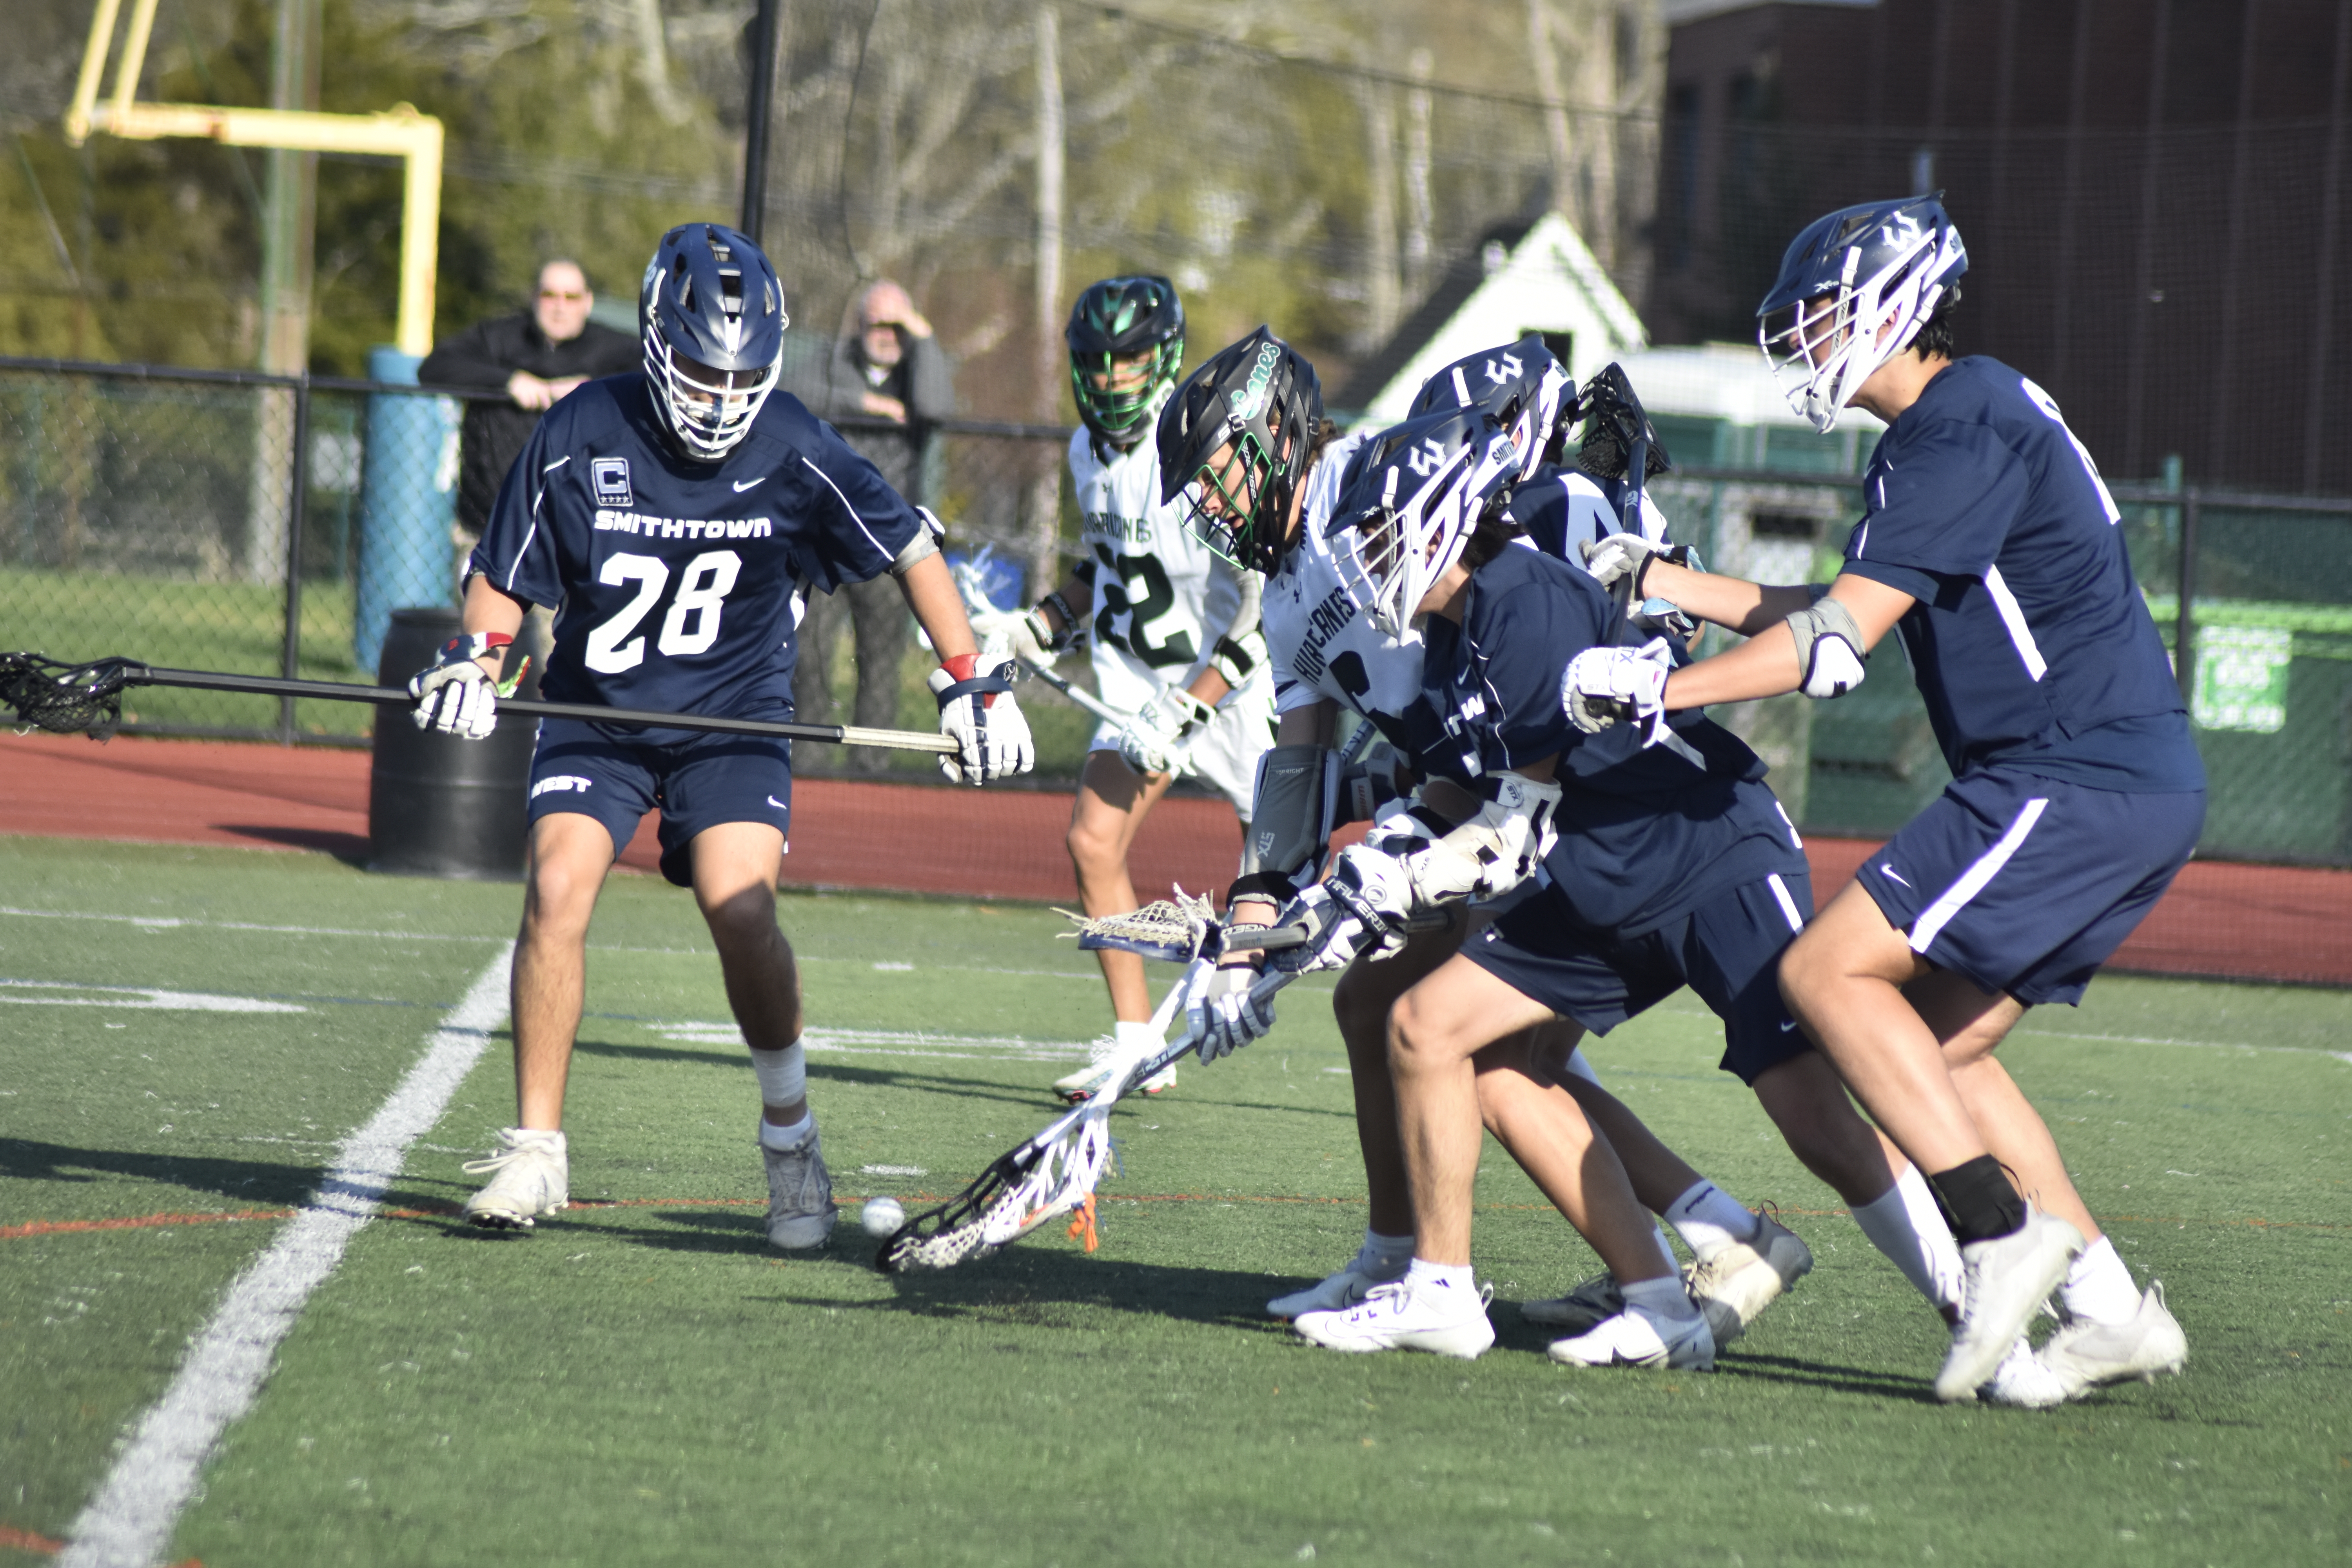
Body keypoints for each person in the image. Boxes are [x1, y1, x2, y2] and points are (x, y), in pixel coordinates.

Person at [1156, 334, 1966, 1368]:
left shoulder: (1394, 496)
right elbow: (1316, 762)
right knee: (1439, 1034)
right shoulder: (1301, 587)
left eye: (1220, 468)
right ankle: (1467, 1264)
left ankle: (1930, 1275)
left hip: (1628, 813)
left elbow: (1534, 692)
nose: (1216, 506)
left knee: (1768, 1084)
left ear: (1273, 436)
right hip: (1540, 817)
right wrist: (1256, 927)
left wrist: (1392, 858)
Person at [1561, 193, 2200, 1402]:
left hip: (2068, 769)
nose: (1800, 336)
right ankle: (2113, 1308)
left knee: (1820, 975)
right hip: (2111, 776)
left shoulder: (1950, 427)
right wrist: (1666, 582)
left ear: (1889, 304)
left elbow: (1834, 642)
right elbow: (1844, 594)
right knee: (1935, 1048)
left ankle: (2000, 1236)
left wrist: (1660, 688)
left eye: (1816, 310)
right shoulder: (1963, 419)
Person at [407, 224, 1032, 1249]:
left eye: (740, 372)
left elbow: (910, 542)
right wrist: (479, 657)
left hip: (731, 721)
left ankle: (790, 1136)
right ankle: (535, 1149)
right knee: (558, 886)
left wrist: (973, 681)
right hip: (599, 716)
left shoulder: (790, 441)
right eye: (699, 367)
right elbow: (506, 573)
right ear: (656, 345)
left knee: (740, 909)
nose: (720, 395)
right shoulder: (581, 429)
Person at [968, 276, 1274, 1103]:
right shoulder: (1082, 452)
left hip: (1229, 683)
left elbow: (1263, 607)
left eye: (1130, 357)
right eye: (1097, 361)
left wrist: (1197, 699)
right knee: (1093, 842)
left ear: (1164, 356)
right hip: (1140, 687)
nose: (1112, 376)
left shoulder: (1206, 443)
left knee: (1283, 872)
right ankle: (1137, 1043)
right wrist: (1036, 626)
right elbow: (1106, 568)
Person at [786, 280, 957, 766]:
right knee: (810, 655)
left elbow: (938, 406)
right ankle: (808, 763)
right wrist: (869, 405)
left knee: (882, 659)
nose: (886, 334)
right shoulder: (830, 361)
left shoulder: (916, 371)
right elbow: (791, 393)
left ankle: (871, 770)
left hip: (890, 547)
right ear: (858, 325)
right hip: (822, 539)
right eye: (877, 323)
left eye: (897, 325)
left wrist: (921, 336)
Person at [419, 259, 639, 541]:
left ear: (588, 302)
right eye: (550, 295)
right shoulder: (498, 338)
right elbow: (435, 367)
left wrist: (590, 389)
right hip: (490, 520)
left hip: (582, 522)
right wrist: (509, 382)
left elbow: (656, 376)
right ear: (534, 298)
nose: (560, 308)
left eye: (571, 298)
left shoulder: (617, 347)